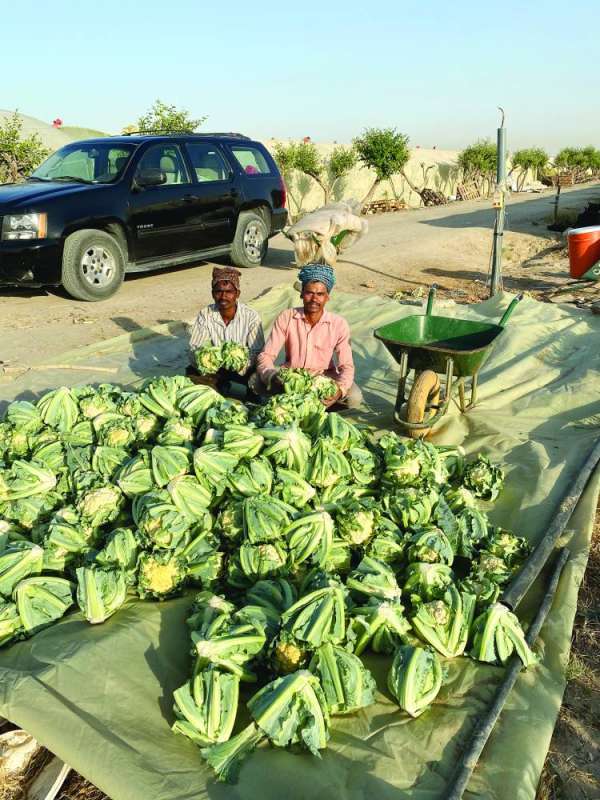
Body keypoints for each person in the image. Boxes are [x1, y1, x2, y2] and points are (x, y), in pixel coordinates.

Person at [254, 263, 363, 409]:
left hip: (323, 379)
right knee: (256, 381)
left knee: (354, 397)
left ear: (327, 297)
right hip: (291, 377)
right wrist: (273, 377)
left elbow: (347, 366)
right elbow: (266, 356)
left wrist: (338, 390)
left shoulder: (338, 324)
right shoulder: (287, 317)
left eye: (320, 294)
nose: (314, 299)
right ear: (301, 294)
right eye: (309, 293)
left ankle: (319, 407)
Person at [189, 266, 265, 396]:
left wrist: (240, 365)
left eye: (229, 291)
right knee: (192, 373)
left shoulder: (251, 317)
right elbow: (195, 347)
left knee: (260, 377)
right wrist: (204, 362)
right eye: (218, 291)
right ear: (213, 294)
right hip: (214, 369)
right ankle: (220, 388)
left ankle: (248, 397)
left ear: (237, 294)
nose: (223, 297)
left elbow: (257, 350)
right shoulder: (205, 314)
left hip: (243, 369)